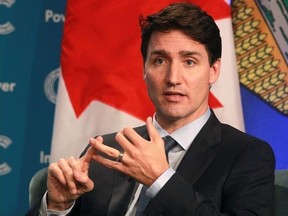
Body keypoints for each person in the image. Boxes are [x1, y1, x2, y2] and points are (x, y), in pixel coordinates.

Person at [26, 2, 275, 216]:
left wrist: (161, 179)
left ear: (213, 70)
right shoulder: (107, 151)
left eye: (189, 62)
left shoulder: (247, 156)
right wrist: (57, 207)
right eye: (159, 60)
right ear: (144, 69)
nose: (173, 77)